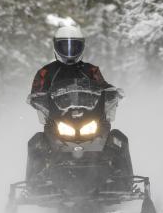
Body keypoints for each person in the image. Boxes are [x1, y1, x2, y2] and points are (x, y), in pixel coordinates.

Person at [24, 25, 120, 183]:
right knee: (37, 142)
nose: (69, 51)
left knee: (117, 139)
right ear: (56, 46)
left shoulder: (90, 70)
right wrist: (36, 98)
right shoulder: (46, 72)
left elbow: (103, 85)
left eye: (74, 46)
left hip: (91, 118)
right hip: (59, 120)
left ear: (81, 47)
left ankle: (120, 175)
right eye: (64, 46)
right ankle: (36, 181)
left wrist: (112, 92)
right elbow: (37, 90)